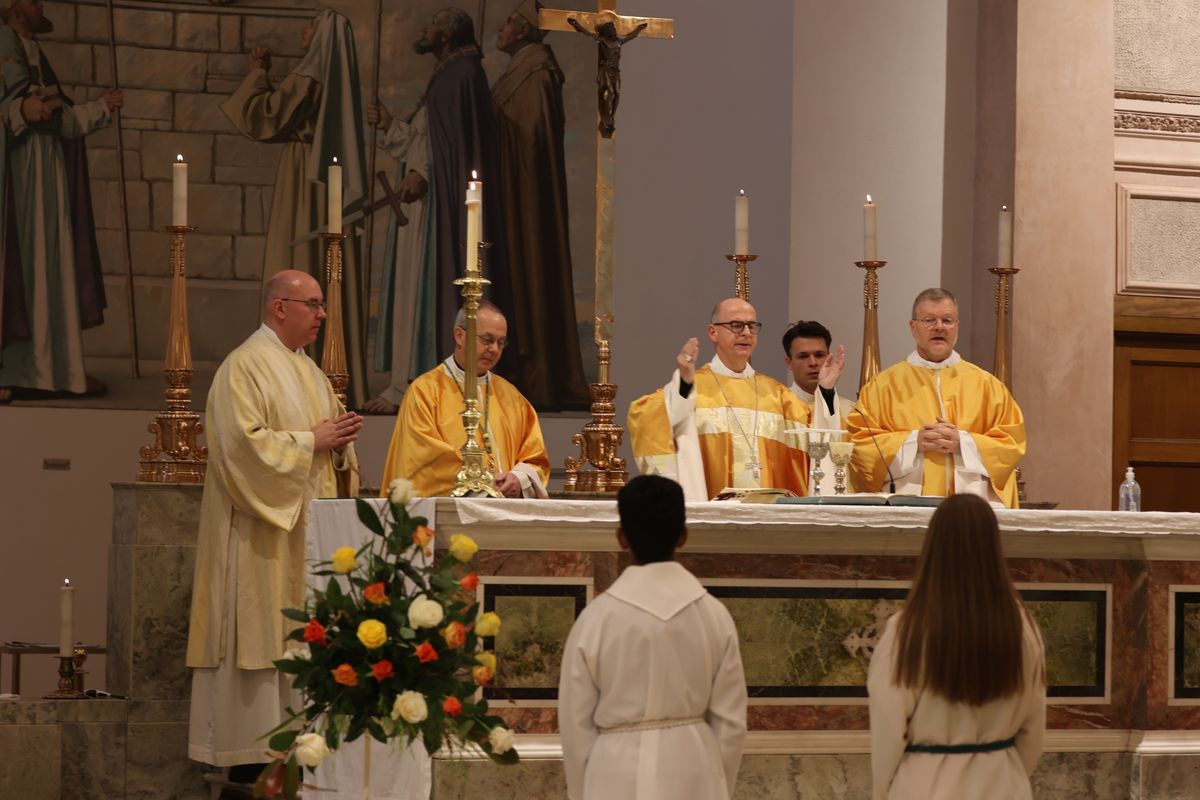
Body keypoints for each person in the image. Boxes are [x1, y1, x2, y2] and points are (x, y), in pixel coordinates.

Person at [185, 270, 362, 787]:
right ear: (279, 307)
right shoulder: (244, 366)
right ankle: (250, 758)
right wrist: (313, 440)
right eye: (314, 304)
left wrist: (341, 441)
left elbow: (326, 447)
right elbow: (241, 447)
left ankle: (302, 754)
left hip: (305, 536)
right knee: (258, 633)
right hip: (258, 536)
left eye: (323, 304)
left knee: (300, 641)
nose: (322, 314)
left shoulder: (310, 372)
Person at [558, 475, 747, 800]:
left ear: (621, 537)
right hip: (694, 769)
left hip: (614, 772)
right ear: (683, 536)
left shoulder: (596, 620)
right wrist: (716, 785)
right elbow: (731, 724)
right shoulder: (713, 616)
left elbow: (576, 727)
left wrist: (583, 790)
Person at [221, 8, 370, 408]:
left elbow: (264, 118)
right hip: (323, 179)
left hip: (306, 175)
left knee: (301, 259)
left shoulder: (311, 75)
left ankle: (301, 371)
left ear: (322, 36)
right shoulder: (334, 79)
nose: (305, 32)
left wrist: (257, 75)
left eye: (312, 26)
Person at [868, 493, 1045, 799]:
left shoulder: (907, 629)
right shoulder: (1022, 627)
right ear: (993, 548)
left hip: (925, 784)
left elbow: (887, 730)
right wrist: (1009, 773)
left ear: (934, 548)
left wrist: (883, 790)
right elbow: (1033, 729)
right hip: (1002, 782)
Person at [0, 0, 120, 403]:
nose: (40, 6)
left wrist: (101, 108)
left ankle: (55, 370)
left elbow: (62, 118)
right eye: (34, 1)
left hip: (46, 174)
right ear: (16, 9)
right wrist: (19, 110)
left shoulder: (35, 54)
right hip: (14, 176)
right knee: (21, 266)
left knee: (50, 265)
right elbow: (14, 109)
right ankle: (13, 369)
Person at [492, 0, 590, 410]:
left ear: (526, 31)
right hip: (511, 187)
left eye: (509, 23)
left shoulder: (538, 72)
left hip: (528, 191)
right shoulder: (522, 68)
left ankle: (541, 377)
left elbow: (533, 136)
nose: (501, 28)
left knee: (532, 268)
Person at [847, 288, 1025, 507]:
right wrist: (914, 442)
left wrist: (964, 443)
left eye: (947, 320)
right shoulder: (882, 386)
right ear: (913, 327)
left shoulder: (988, 386)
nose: (939, 327)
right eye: (929, 320)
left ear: (957, 326)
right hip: (906, 508)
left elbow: (1011, 444)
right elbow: (860, 447)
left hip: (971, 509)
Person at [628, 297, 811, 501]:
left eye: (752, 325)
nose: (746, 333)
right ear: (713, 332)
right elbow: (650, 416)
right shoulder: (691, 387)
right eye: (736, 325)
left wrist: (827, 392)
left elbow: (817, 435)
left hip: (766, 517)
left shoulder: (777, 394)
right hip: (710, 513)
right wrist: (685, 380)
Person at [380, 301, 549, 497]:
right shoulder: (425, 392)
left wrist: (518, 478)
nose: (494, 349)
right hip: (453, 516)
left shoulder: (511, 397)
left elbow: (535, 457)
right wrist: (482, 485)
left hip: (506, 513)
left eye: (500, 342)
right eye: (487, 340)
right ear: (459, 336)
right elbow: (421, 460)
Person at [782, 319, 850, 494]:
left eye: (819, 355)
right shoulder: (779, 408)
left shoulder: (850, 410)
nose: (813, 362)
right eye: (803, 356)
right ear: (788, 363)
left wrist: (826, 391)